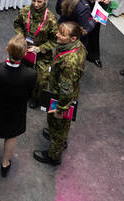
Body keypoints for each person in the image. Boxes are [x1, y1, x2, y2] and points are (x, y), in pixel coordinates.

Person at [0, 34, 36, 176]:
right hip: (16, 110)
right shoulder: (31, 74)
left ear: (7, 49)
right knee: (11, 136)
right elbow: (30, 93)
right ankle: (5, 163)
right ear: (25, 54)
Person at [34, 21, 86, 166]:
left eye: (62, 34)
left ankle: (53, 156)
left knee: (58, 125)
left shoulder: (69, 62)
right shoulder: (77, 46)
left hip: (62, 98)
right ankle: (56, 137)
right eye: (58, 32)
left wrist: (60, 109)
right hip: (65, 92)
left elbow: (66, 89)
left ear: (73, 38)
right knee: (60, 126)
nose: (57, 35)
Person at [13, 0, 58, 108]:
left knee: (41, 80)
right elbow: (17, 24)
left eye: (39, 1)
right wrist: (21, 36)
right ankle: (23, 92)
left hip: (42, 54)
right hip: (26, 49)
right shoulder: (24, 11)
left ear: (45, 0)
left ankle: (35, 98)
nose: (36, 4)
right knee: (21, 72)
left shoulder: (50, 19)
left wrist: (39, 48)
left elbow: (55, 40)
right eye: (33, 1)